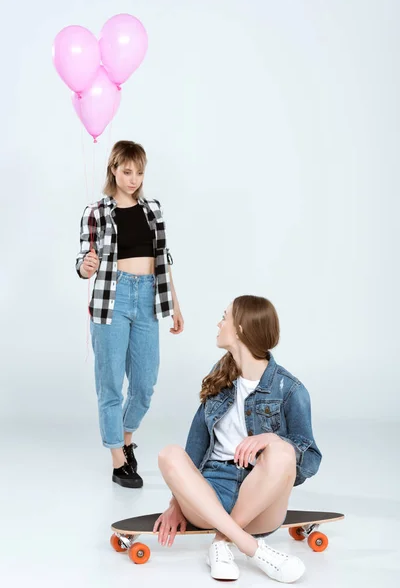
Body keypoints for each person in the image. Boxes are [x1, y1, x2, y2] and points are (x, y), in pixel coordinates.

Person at [155, 295, 321, 582]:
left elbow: (311, 461)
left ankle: (222, 541)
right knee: (169, 454)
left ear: (241, 328)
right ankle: (249, 547)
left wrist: (272, 440)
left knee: (282, 452)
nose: (219, 324)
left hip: (262, 501)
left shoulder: (290, 388)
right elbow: (194, 448)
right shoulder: (219, 376)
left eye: (224, 317)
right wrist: (176, 503)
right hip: (211, 497)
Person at [76, 140, 184, 489]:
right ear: (113, 169)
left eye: (139, 172)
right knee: (110, 386)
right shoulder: (95, 211)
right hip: (112, 299)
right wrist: (86, 267)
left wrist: (175, 306)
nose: (133, 178)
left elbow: (163, 260)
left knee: (144, 385)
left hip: (149, 297)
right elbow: (83, 263)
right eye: (126, 171)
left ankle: (125, 438)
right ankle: (118, 461)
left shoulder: (153, 209)